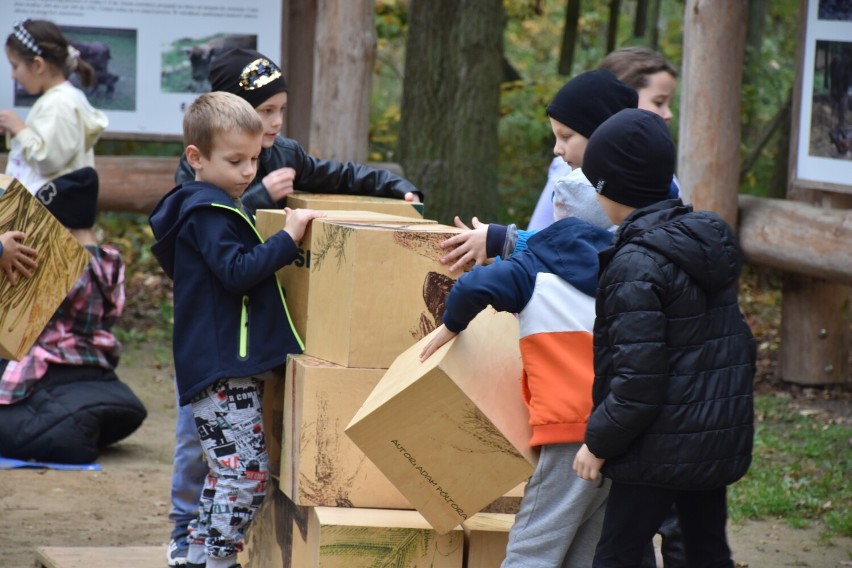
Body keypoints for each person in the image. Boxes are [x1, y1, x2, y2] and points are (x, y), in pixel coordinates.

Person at [165, 47, 424, 567]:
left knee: (233, 465)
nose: (273, 125)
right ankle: (191, 539)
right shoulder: (204, 191)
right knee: (220, 458)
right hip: (217, 347)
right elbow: (222, 257)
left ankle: (202, 553)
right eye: (264, 113)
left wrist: (397, 187)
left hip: (244, 345)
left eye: (280, 110)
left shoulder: (281, 153)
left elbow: (340, 173)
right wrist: (264, 201)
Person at [149, 90, 326, 568]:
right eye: (235, 161)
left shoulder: (208, 205)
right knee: (246, 475)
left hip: (224, 362)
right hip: (222, 366)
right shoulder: (208, 212)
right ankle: (220, 559)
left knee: (224, 470)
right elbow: (237, 270)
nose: (249, 172)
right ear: (196, 158)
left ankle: (201, 554)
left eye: (254, 159)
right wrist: (288, 239)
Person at [573, 108, 756, 568]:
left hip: (655, 448)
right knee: (705, 550)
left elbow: (636, 379)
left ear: (606, 188)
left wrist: (598, 443)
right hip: (710, 437)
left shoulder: (635, 264)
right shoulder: (701, 243)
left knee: (616, 554)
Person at [420, 166, 614, 567]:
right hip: (619, 423)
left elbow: (475, 285)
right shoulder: (625, 268)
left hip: (568, 431)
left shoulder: (534, 267)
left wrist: (452, 325)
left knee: (534, 544)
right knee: (587, 544)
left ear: (557, 213)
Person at [0, 167, 147, 464]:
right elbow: (114, 310)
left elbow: (25, 319)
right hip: (93, 355)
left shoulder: (60, 263)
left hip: (47, 357)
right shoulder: (111, 261)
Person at [527, 46, 679, 231]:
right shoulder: (567, 174)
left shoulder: (655, 178)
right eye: (658, 102)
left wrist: (506, 240)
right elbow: (547, 238)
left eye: (566, 137)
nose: (669, 114)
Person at [0, 19, 108, 193]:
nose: (13, 75)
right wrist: (15, 131)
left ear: (38, 65)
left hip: (44, 213)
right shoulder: (60, 100)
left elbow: (47, 159)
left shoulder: (59, 104)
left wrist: (20, 129)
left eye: (15, 66)